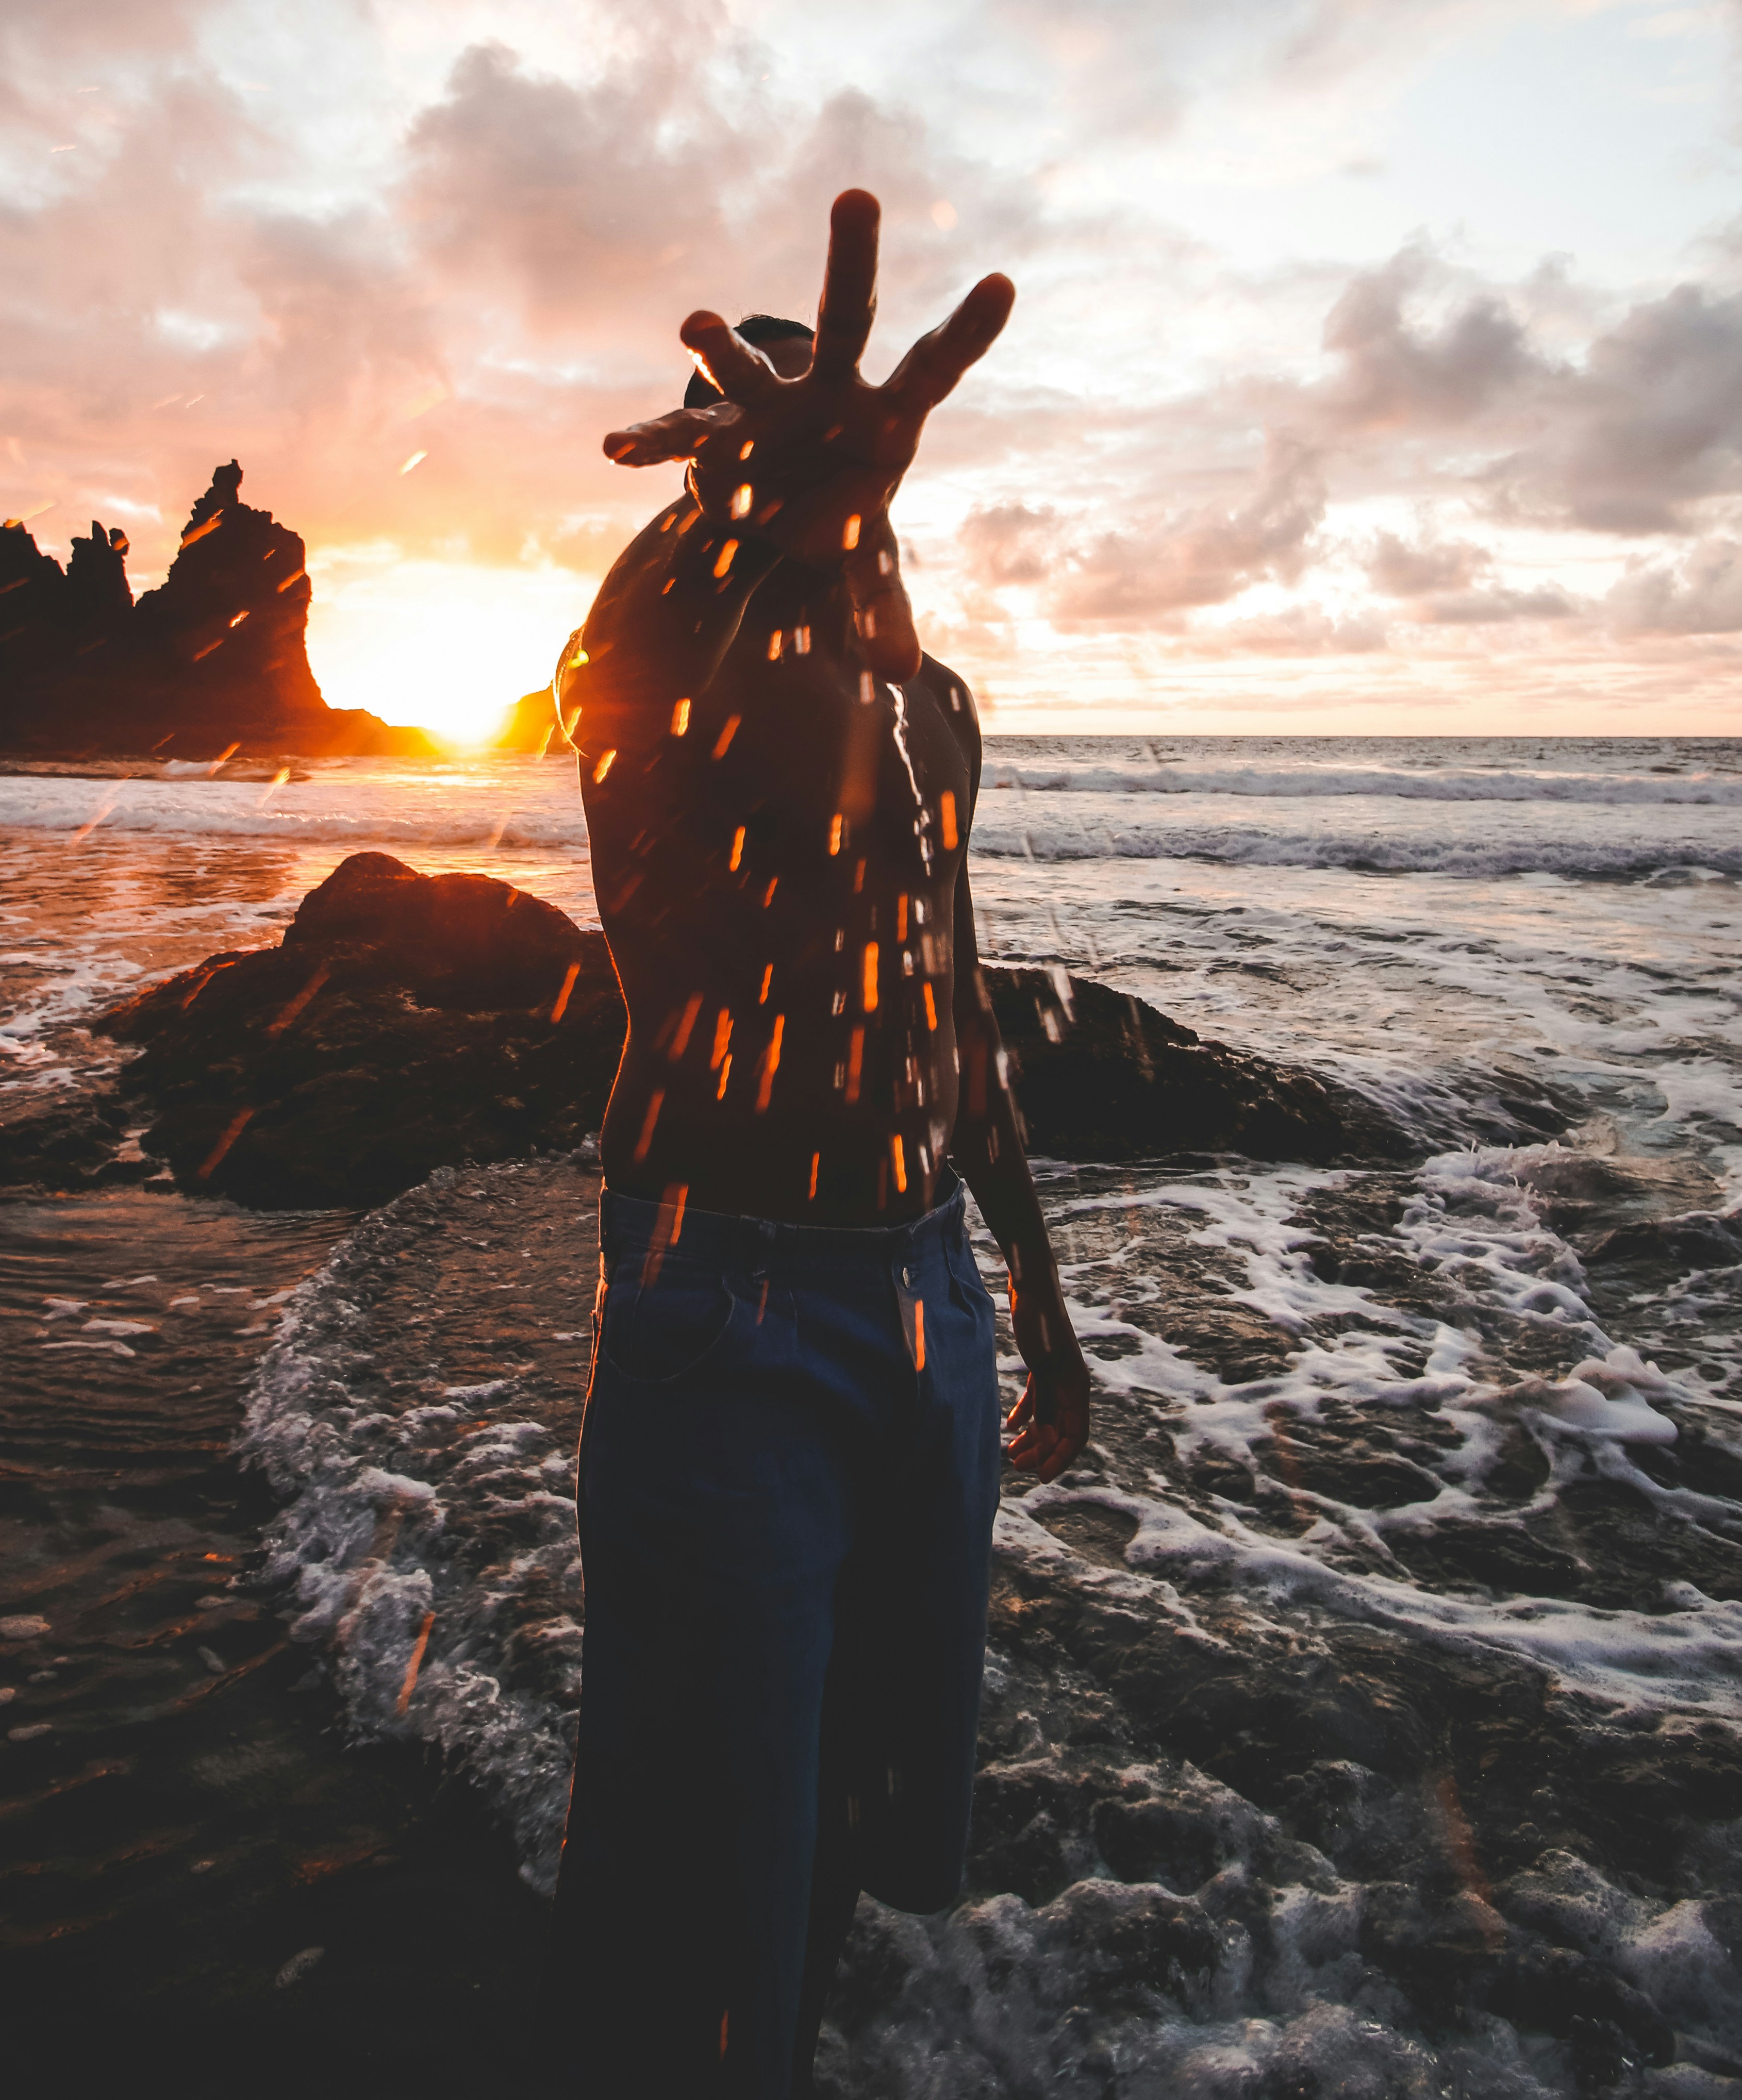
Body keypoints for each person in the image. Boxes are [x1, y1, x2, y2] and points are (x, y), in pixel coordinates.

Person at [541, 189, 1091, 2098]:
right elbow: (671, 867)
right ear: (716, 478)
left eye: (849, 465)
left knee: (861, 1806)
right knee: (712, 1861)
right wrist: (753, 526)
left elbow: (942, 983)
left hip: (926, 1287)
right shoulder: (644, 650)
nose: (825, 488)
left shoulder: (929, 703)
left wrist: (1032, 1280)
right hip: (730, 1298)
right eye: (774, 456)